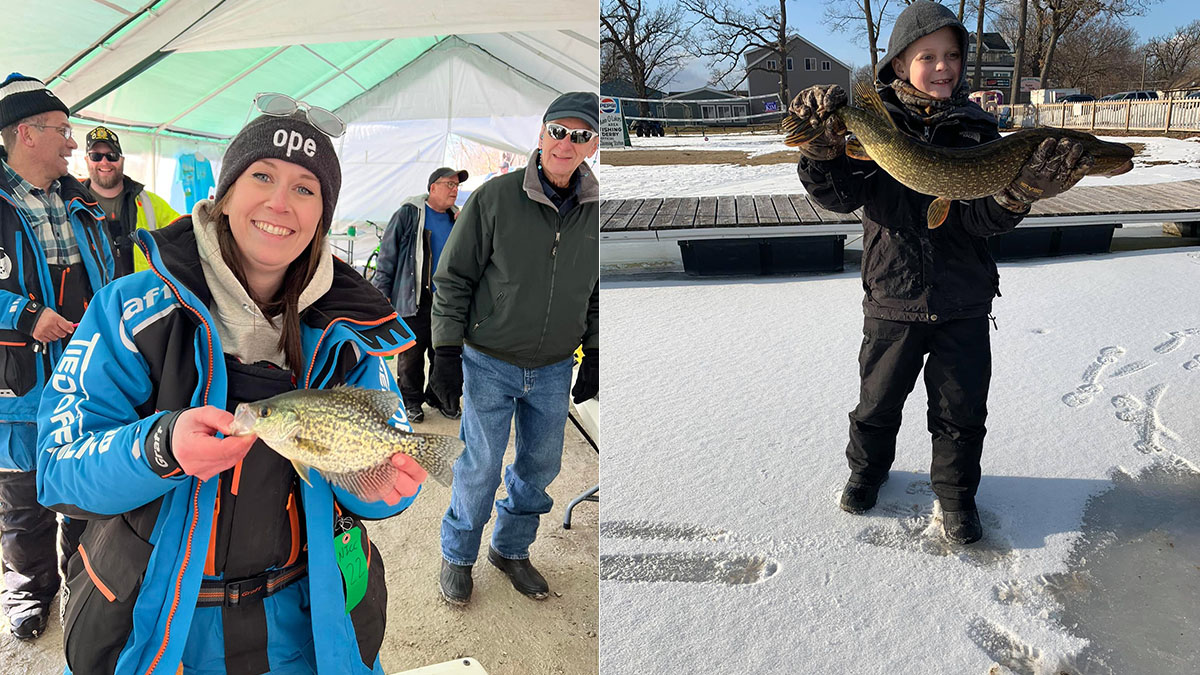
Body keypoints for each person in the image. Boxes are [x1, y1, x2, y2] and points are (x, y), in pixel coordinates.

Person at [36, 99, 427, 674]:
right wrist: (161, 447)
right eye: (262, 176)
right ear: (224, 194)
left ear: (322, 215)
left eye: (305, 188)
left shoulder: (351, 332)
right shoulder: (131, 310)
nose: (279, 202)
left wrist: (383, 484)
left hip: (305, 623)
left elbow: (376, 468)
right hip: (154, 628)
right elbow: (57, 469)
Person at [792, 0, 1093, 544]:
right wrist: (822, 151)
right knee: (877, 404)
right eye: (927, 55)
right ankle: (866, 474)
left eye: (952, 55)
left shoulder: (979, 132)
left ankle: (956, 498)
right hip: (893, 297)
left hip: (963, 300)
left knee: (961, 411)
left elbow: (981, 219)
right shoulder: (878, 124)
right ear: (900, 64)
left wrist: (1020, 192)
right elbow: (839, 197)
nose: (942, 66)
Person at [430, 91, 599, 605]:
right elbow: (454, 278)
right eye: (558, 130)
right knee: (479, 465)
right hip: (489, 361)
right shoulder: (495, 197)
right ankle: (458, 555)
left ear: (592, 146)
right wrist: (445, 352)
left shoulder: (598, 212)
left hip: (551, 368)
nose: (566, 143)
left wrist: (595, 351)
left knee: (540, 467)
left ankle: (511, 549)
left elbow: (595, 292)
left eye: (581, 135)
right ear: (542, 133)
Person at [0, 73, 115, 641]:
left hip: (83, 379)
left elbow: (109, 276)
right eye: (63, 131)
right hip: (17, 384)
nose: (73, 144)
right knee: (22, 499)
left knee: (83, 489)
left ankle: (81, 580)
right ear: (26, 133)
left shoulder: (83, 203)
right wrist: (24, 314)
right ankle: (29, 591)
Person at [371, 167, 467, 422]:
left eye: (457, 185)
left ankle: (439, 397)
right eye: (449, 184)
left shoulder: (458, 219)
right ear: (432, 187)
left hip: (448, 301)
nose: (454, 189)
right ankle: (410, 401)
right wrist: (382, 296)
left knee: (444, 352)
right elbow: (387, 256)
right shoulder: (408, 214)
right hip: (415, 298)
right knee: (411, 355)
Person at [82, 125, 179, 277]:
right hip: (96, 299)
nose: (104, 162)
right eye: (96, 156)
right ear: (87, 160)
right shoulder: (72, 206)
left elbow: (183, 234)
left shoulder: (150, 203)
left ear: (121, 160)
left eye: (111, 155)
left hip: (144, 296)